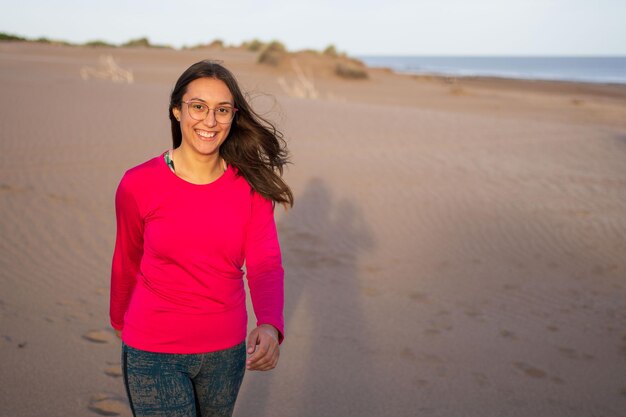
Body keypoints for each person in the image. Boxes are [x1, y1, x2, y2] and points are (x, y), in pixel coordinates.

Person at [110, 60, 293, 417]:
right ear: (177, 110)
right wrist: (121, 324)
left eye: (222, 110)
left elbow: (265, 263)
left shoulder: (252, 187)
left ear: (233, 117)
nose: (209, 121)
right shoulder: (138, 183)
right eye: (198, 107)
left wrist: (270, 323)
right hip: (153, 347)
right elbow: (126, 260)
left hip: (225, 353)